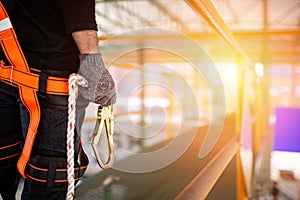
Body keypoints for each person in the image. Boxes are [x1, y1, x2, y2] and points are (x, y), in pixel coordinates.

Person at [0, 0, 116, 199]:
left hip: (7, 72)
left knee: (5, 164)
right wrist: (91, 59)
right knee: (49, 182)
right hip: (53, 82)